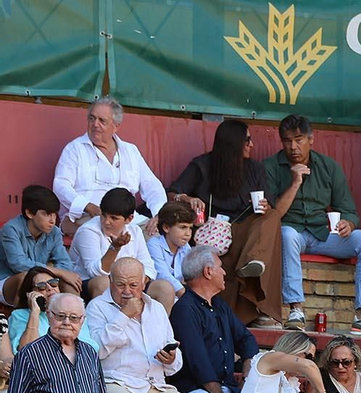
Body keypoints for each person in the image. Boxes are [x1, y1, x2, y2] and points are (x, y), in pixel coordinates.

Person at [83, 258, 206, 393]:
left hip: (153, 385)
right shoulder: (97, 307)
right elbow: (94, 351)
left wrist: (171, 358)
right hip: (115, 382)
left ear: (144, 283)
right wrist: (123, 316)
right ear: (110, 282)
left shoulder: (156, 308)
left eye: (133, 285)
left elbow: (174, 362)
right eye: (120, 284)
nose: (127, 291)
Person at [268, 115, 361, 331]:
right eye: (287, 141)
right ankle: (296, 309)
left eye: (299, 140)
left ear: (311, 139)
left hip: (322, 233)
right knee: (286, 234)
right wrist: (295, 183)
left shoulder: (329, 166)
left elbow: (348, 209)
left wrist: (348, 223)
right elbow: (274, 215)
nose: (293, 147)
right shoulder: (271, 166)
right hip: (291, 233)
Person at [167, 118, 282, 326]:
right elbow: (171, 193)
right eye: (247, 140)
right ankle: (247, 265)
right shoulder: (202, 165)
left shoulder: (255, 169)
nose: (251, 145)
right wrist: (186, 198)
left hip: (244, 232)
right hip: (209, 231)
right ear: (234, 143)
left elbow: (271, 205)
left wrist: (265, 205)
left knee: (272, 216)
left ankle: (250, 263)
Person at [168, 247, 259, 393]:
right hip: (192, 389)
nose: (224, 273)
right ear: (208, 272)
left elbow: (247, 340)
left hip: (225, 387)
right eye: (220, 267)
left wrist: (247, 372)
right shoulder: (184, 310)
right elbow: (200, 366)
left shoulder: (219, 305)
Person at [52, 97, 166, 236]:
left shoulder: (130, 151)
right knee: (106, 236)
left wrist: (159, 214)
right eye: (92, 119)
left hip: (128, 220)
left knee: (158, 239)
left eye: (102, 121)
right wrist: (88, 207)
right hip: (88, 217)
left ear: (116, 126)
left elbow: (152, 185)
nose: (95, 124)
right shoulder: (74, 149)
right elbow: (61, 185)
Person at [66, 187, 159, 308]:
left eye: (114, 218)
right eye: (103, 215)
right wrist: (114, 248)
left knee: (163, 288)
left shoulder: (135, 230)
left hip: (126, 286)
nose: (106, 222)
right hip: (87, 285)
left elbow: (149, 267)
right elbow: (95, 272)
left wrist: (135, 285)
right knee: (103, 282)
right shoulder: (88, 231)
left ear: (129, 219)